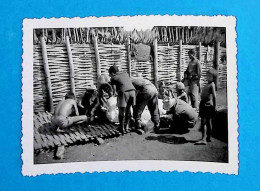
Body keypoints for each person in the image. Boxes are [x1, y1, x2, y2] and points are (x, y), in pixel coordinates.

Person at [109, 65, 136, 134]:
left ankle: (122, 128)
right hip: (132, 92)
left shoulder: (113, 78)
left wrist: (115, 94)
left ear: (112, 73)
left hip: (124, 93)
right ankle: (127, 127)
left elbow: (114, 91)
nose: (110, 76)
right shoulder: (125, 73)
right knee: (128, 109)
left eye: (110, 74)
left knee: (121, 110)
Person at [195, 68, 217, 145]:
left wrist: (215, 106)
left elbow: (214, 96)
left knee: (204, 122)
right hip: (205, 104)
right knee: (208, 121)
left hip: (206, 105)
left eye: (209, 76)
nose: (207, 77)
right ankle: (208, 137)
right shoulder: (208, 84)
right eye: (207, 75)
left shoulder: (212, 85)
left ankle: (203, 139)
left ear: (213, 77)